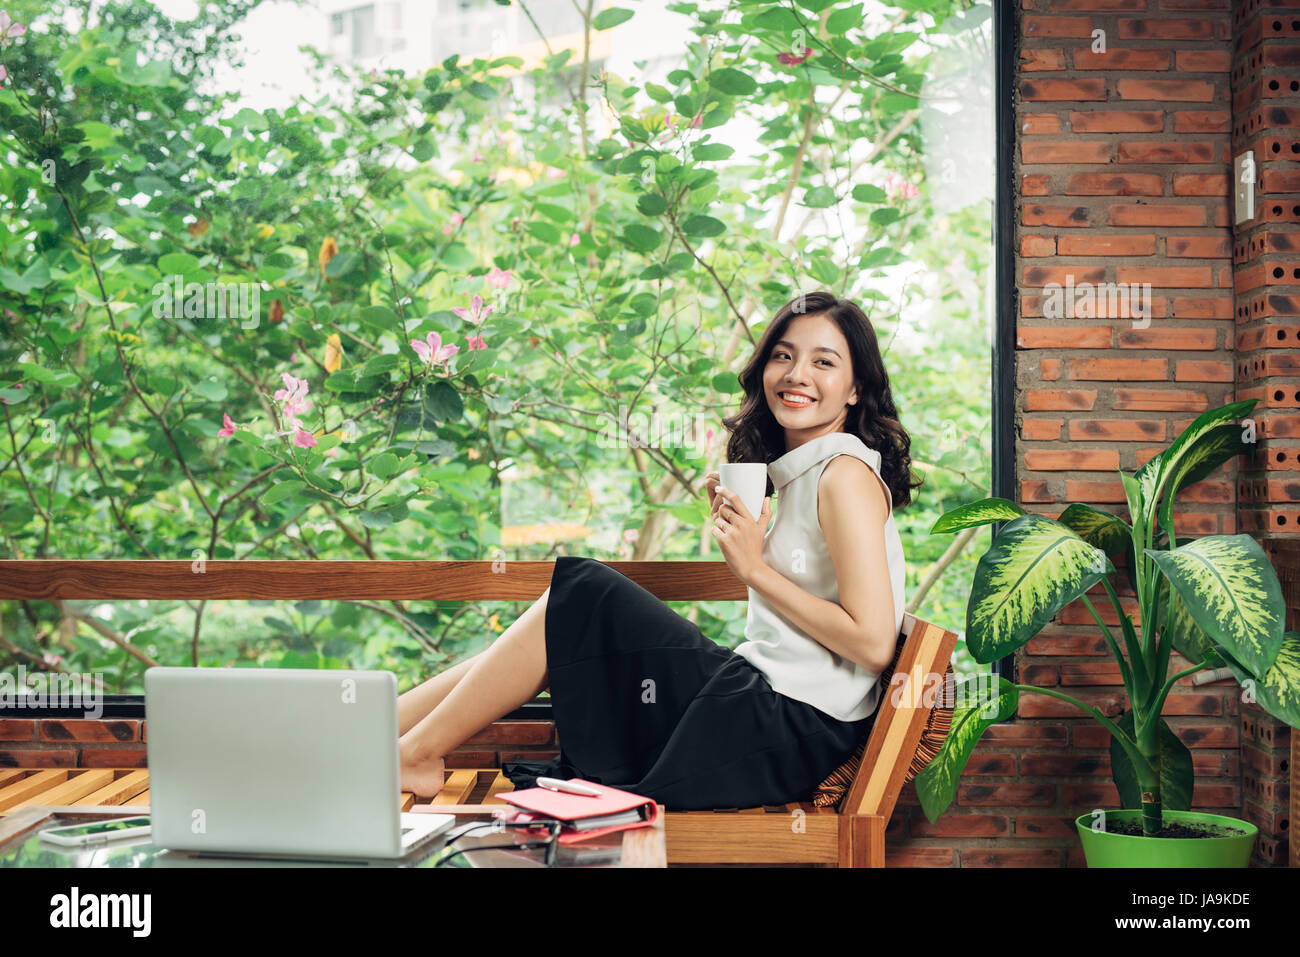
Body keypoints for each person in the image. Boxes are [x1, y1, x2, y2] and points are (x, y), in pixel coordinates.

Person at [397, 290, 920, 810]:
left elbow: (872, 645)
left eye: (823, 362)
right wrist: (747, 544)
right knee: (568, 610)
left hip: (788, 725)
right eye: (783, 355)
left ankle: (414, 749)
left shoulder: (844, 475)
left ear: (855, 389)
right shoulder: (803, 474)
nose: (796, 373)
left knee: (584, 593)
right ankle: (393, 730)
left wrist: (754, 569)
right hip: (768, 700)